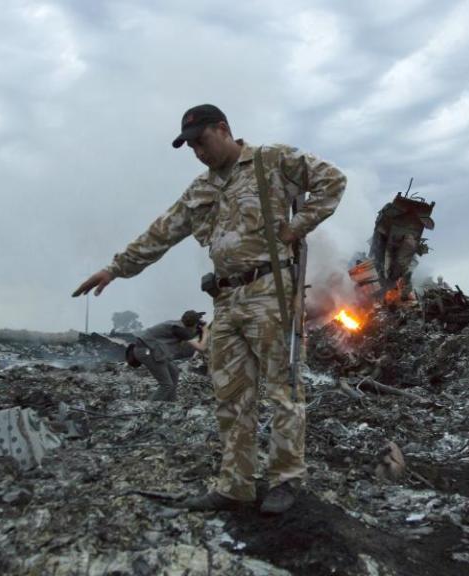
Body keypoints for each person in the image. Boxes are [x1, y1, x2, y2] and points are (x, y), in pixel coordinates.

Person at [72, 104, 346, 515]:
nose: (197, 152)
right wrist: (115, 268)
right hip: (226, 300)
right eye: (191, 147)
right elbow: (162, 232)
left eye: (202, 141)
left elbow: (332, 181)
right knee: (231, 396)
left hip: (271, 292)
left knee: (283, 390)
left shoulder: (272, 161)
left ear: (223, 129)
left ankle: (286, 479)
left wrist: (297, 225)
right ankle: (235, 486)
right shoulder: (201, 190)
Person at [125, 310, 210, 402]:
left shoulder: (176, 325)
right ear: (193, 324)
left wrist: (198, 330)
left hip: (152, 350)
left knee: (174, 372)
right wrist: (205, 332)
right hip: (147, 352)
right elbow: (201, 348)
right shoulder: (180, 330)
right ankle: (149, 407)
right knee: (166, 384)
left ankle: (171, 402)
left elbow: (189, 334)